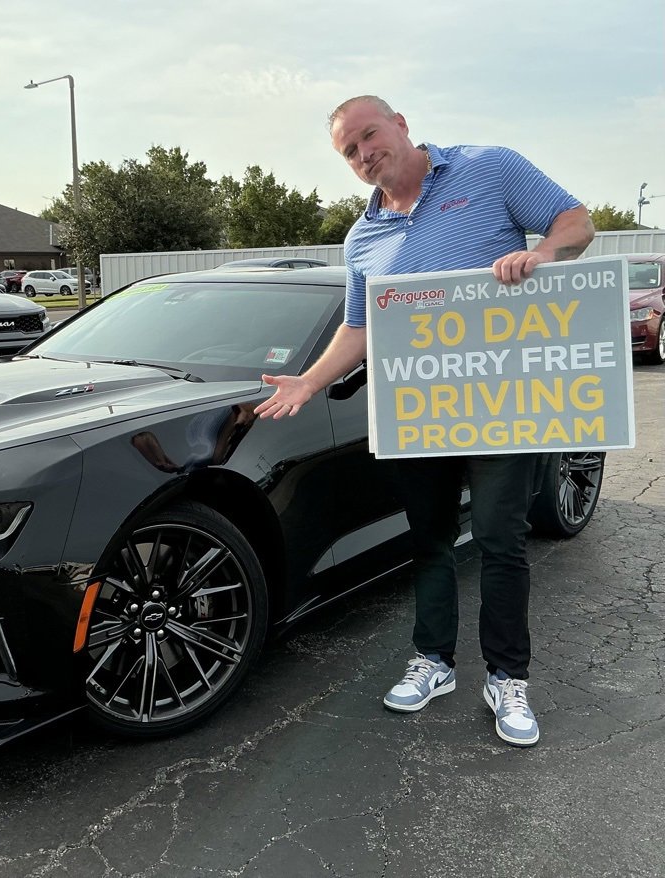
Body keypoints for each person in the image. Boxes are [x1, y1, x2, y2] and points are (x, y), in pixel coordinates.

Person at [254, 95, 594, 747]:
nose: (363, 153)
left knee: (499, 538)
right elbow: (359, 327)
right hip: (419, 409)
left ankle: (507, 678)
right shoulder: (362, 237)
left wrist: (545, 255)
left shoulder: (489, 169)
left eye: (368, 135)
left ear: (401, 124)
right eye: (348, 151)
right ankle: (434, 661)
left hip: (503, 404)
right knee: (431, 539)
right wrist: (310, 379)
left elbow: (575, 222)